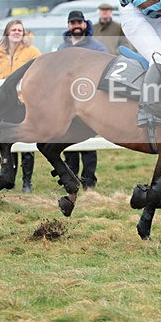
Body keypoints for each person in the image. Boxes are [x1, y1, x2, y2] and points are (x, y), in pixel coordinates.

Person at [0, 20, 42, 193]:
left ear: (24, 33)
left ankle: (27, 182)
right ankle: (9, 178)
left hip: (25, 103)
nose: (17, 32)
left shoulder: (32, 52)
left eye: (20, 30)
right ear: (7, 33)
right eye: (13, 30)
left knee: (26, 140)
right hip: (6, 105)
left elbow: (39, 74)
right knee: (7, 140)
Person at [57, 10, 108, 189]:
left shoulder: (97, 47)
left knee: (87, 139)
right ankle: (71, 177)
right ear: (69, 25)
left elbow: (103, 68)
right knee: (67, 137)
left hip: (89, 100)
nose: (76, 26)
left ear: (85, 24)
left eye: (79, 22)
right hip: (67, 101)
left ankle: (89, 179)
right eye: (73, 23)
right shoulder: (62, 48)